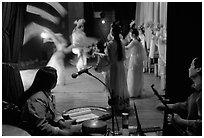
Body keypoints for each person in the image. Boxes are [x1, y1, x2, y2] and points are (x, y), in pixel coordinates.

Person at [18, 66, 81, 136]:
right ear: (49, 82)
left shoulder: (47, 93)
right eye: (55, 79)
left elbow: (53, 111)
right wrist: (61, 132)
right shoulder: (37, 99)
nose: (56, 81)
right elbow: (41, 125)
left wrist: (61, 122)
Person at [156, 57, 202, 136]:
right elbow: (185, 105)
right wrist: (166, 106)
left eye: (191, 65)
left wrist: (181, 121)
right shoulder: (195, 92)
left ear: (198, 69)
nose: (189, 69)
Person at [102, 21, 130, 113]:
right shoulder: (121, 43)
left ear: (112, 33)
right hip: (121, 67)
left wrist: (100, 56)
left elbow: (108, 58)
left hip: (113, 67)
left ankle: (114, 105)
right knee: (120, 85)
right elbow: (123, 57)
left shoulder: (110, 44)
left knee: (113, 85)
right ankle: (121, 104)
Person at [125, 28, 146, 98]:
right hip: (139, 60)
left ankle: (133, 92)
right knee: (138, 75)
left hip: (134, 59)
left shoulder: (134, 42)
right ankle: (138, 91)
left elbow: (127, 48)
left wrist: (120, 45)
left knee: (133, 74)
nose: (130, 35)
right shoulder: (138, 42)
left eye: (130, 34)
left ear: (133, 35)